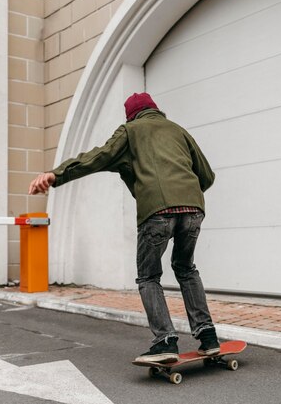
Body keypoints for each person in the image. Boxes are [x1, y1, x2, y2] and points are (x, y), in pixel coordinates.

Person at [28, 92, 219, 363]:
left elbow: (97, 157)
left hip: (158, 212)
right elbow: (207, 176)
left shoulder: (130, 131)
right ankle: (208, 337)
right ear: (156, 110)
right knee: (186, 268)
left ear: (131, 115)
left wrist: (56, 175)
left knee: (148, 276)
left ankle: (165, 341)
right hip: (193, 210)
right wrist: (185, 194)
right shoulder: (178, 130)